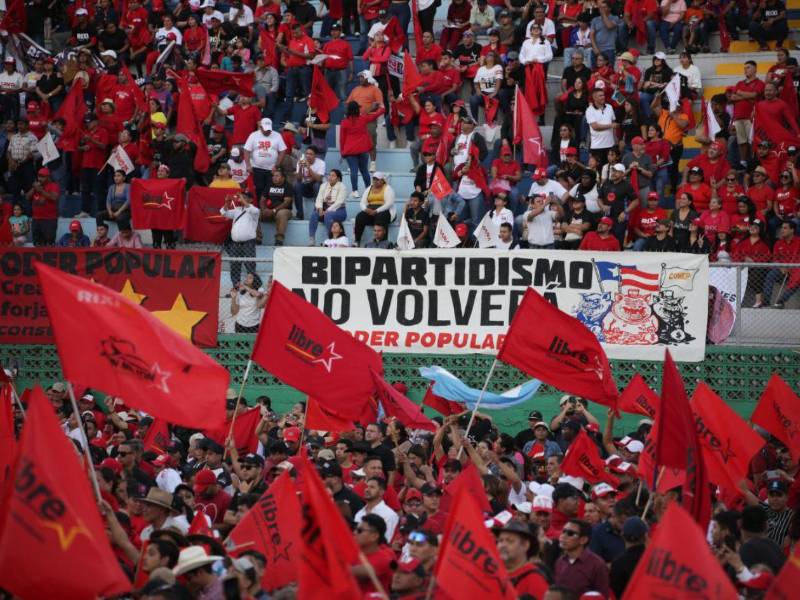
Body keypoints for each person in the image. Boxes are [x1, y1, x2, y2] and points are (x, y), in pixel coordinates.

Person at [340, 100, 385, 197]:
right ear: (357, 109)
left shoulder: (344, 122)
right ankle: (368, 190)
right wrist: (382, 108)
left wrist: (342, 152)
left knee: (354, 171)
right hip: (363, 149)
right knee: (364, 171)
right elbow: (375, 115)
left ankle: (355, 191)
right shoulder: (363, 119)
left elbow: (342, 139)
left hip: (350, 150)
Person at [494, 520, 550, 598]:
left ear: (525, 545)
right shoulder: (493, 573)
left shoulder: (535, 579)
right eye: (500, 540)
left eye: (510, 541)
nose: (502, 545)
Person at [554, 519, 610, 597]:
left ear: (583, 540)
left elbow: (602, 596)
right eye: (563, 531)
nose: (563, 536)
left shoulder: (597, 565)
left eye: (570, 533)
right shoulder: (560, 562)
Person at [220, 192, 260, 288]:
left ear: (251, 200)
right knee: (234, 265)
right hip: (235, 243)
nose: (241, 199)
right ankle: (236, 287)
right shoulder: (237, 210)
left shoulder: (254, 210)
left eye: (245, 197)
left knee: (250, 265)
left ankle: (252, 289)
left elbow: (253, 210)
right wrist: (227, 203)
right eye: (242, 197)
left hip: (248, 243)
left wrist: (242, 198)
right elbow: (223, 212)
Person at [609, 517, 649, 598]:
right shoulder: (654, 559)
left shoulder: (618, 563)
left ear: (623, 535)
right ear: (645, 536)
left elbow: (615, 593)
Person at [354, 173, 396, 246]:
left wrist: (377, 211)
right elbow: (362, 202)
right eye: (374, 179)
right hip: (371, 210)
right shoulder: (369, 188)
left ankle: (383, 242)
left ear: (382, 180)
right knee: (359, 217)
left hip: (384, 210)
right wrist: (366, 209)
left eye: (377, 179)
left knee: (381, 217)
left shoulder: (388, 188)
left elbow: (389, 203)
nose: (375, 181)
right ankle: (357, 241)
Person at [310, 169, 347, 246]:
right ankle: (312, 238)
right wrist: (320, 209)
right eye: (329, 175)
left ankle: (330, 239)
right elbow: (319, 198)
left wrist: (327, 211)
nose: (330, 177)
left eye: (333, 176)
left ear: (338, 178)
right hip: (324, 210)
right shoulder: (323, 185)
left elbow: (339, 202)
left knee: (328, 214)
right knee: (314, 214)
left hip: (339, 211)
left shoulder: (342, 187)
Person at [294, 146, 326, 220]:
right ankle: (299, 214)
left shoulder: (321, 163)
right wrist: (300, 168)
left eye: (311, 154)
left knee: (317, 185)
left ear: (315, 155)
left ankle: (316, 214)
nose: (308, 156)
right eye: (307, 154)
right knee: (297, 186)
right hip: (305, 186)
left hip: (316, 187)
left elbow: (319, 179)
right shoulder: (301, 161)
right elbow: (298, 179)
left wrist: (309, 168)